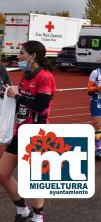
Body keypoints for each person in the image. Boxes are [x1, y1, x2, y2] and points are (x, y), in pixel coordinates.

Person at [0, 41, 57, 222]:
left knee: (35, 176)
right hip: (20, 131)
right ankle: (22, 209)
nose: (18, 56)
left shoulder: (45, 77)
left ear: (32, 56)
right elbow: (22, 101)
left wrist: (17, 95)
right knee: (2, 173)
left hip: (37, 132)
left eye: (22, 53)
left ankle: (38, 216)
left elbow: (41, 106)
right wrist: (11, 93)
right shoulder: (26, 76)